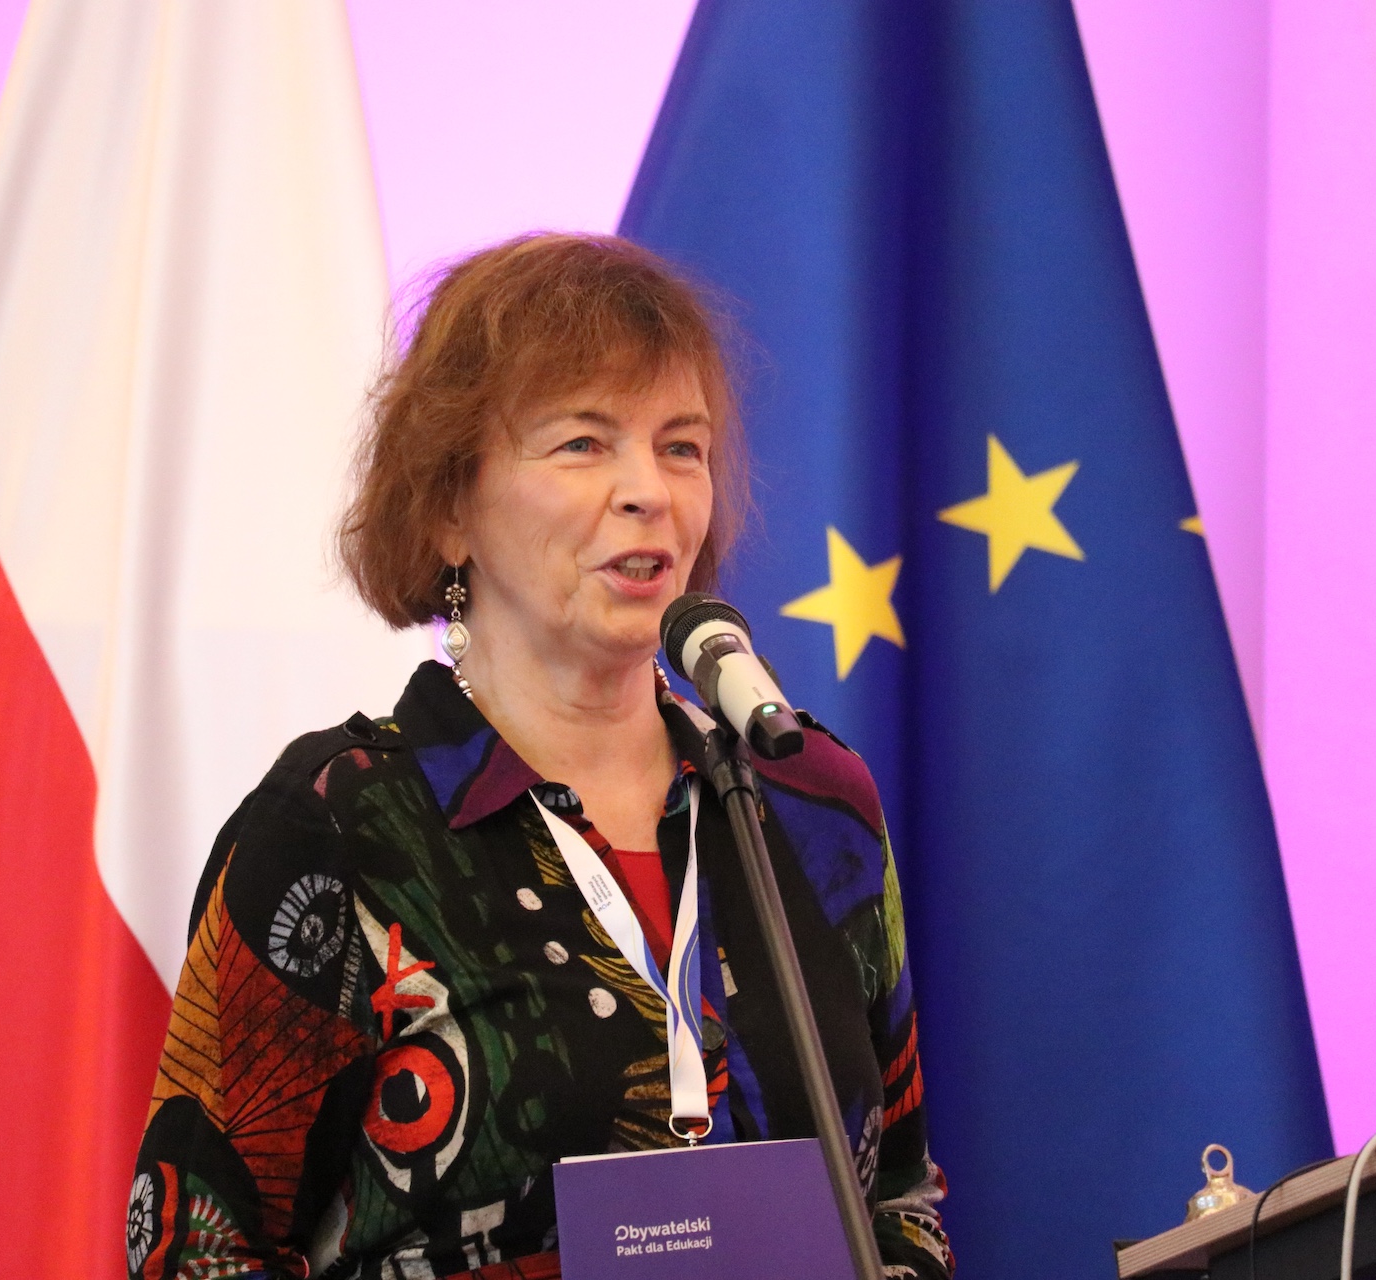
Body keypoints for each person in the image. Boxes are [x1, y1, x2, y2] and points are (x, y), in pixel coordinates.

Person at [126, 234, 954, 1280]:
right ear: (449, 508)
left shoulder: (809, 798)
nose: (650, 490)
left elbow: (899, 1196)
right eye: (583, 443)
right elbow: (196, 1251)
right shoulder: (339, 824)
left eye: (682, 447)